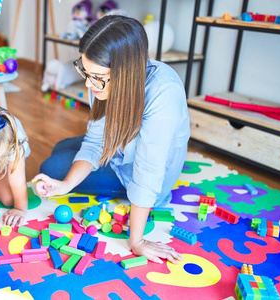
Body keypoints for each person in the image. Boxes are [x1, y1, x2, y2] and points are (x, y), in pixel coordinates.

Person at [32, 15, 190, 264]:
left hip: (139, 172)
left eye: (96, 76)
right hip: (117, 148)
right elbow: (95, 141)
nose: (88, 82)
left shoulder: (163, 92)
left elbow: (148, 170)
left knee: (52, 166)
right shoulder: (101, 78)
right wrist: (65, 186)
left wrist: (136, 241)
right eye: (85, 71)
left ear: (124, 72)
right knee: (60, 149)